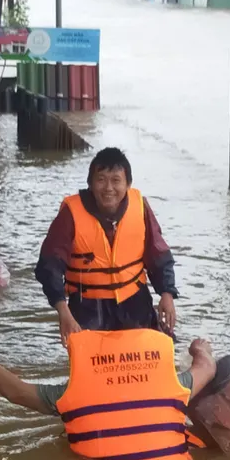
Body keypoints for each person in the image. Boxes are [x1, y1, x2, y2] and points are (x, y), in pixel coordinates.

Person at [0, 320, 217, 460]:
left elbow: (16, 391)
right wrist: (200, 348)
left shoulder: (72, 394)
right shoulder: (174, 383)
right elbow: (208, 367)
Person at [35, 147, 180, 347]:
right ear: (90, 184)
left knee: (148, 359)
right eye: (101, 179)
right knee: (92, 369)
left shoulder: (140, 207)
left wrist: (167, 293)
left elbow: (159, 256)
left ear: (128, 184)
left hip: (135, 304)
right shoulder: (71, 214)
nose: (108, 188)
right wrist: (63, 310)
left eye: (116, 180)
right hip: (88, 309)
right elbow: (49, 265)